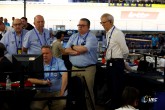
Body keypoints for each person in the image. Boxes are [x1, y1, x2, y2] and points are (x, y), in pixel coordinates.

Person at [65, 18, 98, 109]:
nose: (80, 27)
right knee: (74, 91)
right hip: (74, 68)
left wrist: (73, 46)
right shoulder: (74, 36)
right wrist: (76, 50)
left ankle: (90, 108)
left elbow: (84, 49)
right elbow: (66, 50)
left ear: (88, 27)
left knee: (88, 92)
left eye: (83, 25)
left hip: (88, 69)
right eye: (79, 25)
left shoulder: (92, 37)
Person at [100, 13, 129, 110]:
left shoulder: (117, 33)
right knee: (111, 86)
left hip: (116, 63)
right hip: (110, 63)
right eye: (101, 22)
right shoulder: (108, 33)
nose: (102, 24)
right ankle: (113, 105)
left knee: (117, 87)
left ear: (111, 22)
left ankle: (116, 106)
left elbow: (125, 51)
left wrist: (121, 60)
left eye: (104, 22)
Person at [27, 45, 68, 110]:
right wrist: (43, 82)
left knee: (61, 105)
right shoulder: (37, 63)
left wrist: (62, 90)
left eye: (47, 53)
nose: (44, 55)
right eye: (43, 53)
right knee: (34, 107)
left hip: (57, 91)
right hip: (43, 91)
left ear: (51, 54)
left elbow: (65, 75)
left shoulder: (59, 62)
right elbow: (29, 79)